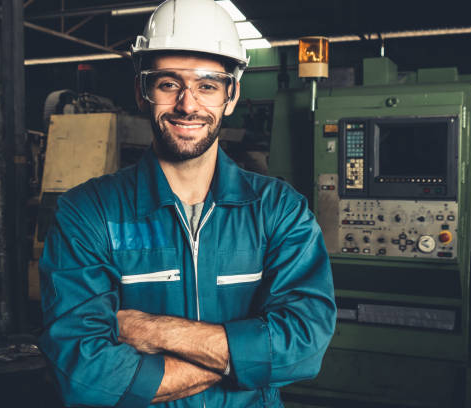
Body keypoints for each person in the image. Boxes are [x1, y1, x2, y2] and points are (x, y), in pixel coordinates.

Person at [38, 0, 336, 406]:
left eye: (207, 85)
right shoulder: (89, 213)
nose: (188, 104)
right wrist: (247, 360)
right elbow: (84, 374)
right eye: (168, 83)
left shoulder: (279, 211)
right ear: (144, 94)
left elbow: (304, 344)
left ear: (230, 98)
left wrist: (152, 330)